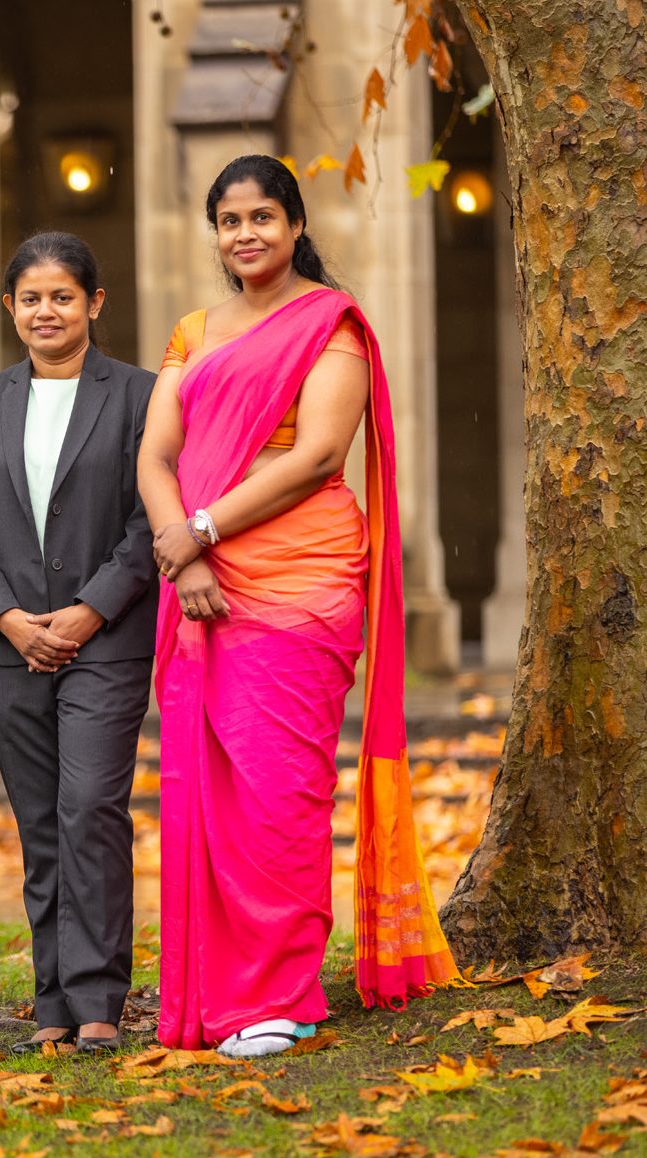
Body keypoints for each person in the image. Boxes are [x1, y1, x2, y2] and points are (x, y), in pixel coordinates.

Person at [137, 154, 458, 1059]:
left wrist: (198, 530)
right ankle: (210, 995)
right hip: (199, 580)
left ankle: (281, 993)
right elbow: (155, 454)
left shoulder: (331, 325)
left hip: (302, 581)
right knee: (211, 792)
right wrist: (182, 552)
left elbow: (318, 455)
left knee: (281, 790)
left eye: (262, 217)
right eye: (229, 220)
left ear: (295, 224)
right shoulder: (195, 330)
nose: (245, 234)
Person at [0, 233, 158, 1055]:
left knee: (91, 811)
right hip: (9, 646)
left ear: (95, 304)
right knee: (39, 823)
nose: (46, 311)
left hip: (104, 640)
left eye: (63, 296)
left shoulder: (137, 394)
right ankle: (51, 1001)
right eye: (31, 298)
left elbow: (149, 518)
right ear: (10, 309)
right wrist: (5, 617)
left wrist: (87, 611)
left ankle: (100, 994)